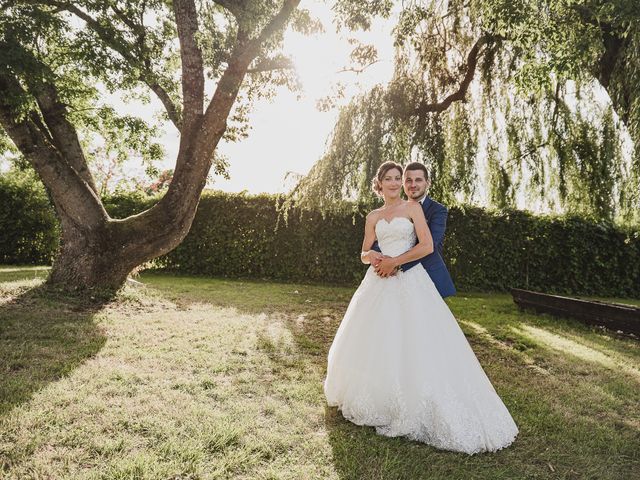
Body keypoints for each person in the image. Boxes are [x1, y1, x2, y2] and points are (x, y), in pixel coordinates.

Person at [323, 161, 518, 454]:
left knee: (417, 339)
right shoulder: (373, 215)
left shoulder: (413, 209)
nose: (394, 182)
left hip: (409, 281)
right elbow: (364, 252)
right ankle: (381, 397)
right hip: (377, 283)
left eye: (397, 178)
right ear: (379, 183)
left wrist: (394, 262)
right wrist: (373, 257)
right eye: (388, 178)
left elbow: (427, 246)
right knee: (377, 340)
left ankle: (419, 399)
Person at [371, 162, 456, 298]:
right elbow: (381, 240)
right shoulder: (391, 210)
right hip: (390, 276)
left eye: (418, 180)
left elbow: (430, 245)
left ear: (427, 183)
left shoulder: (438, 210)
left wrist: (395, 263)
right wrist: (381, 259)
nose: (413, 185)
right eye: (408, 180)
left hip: (428, 275)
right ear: (403, 183)